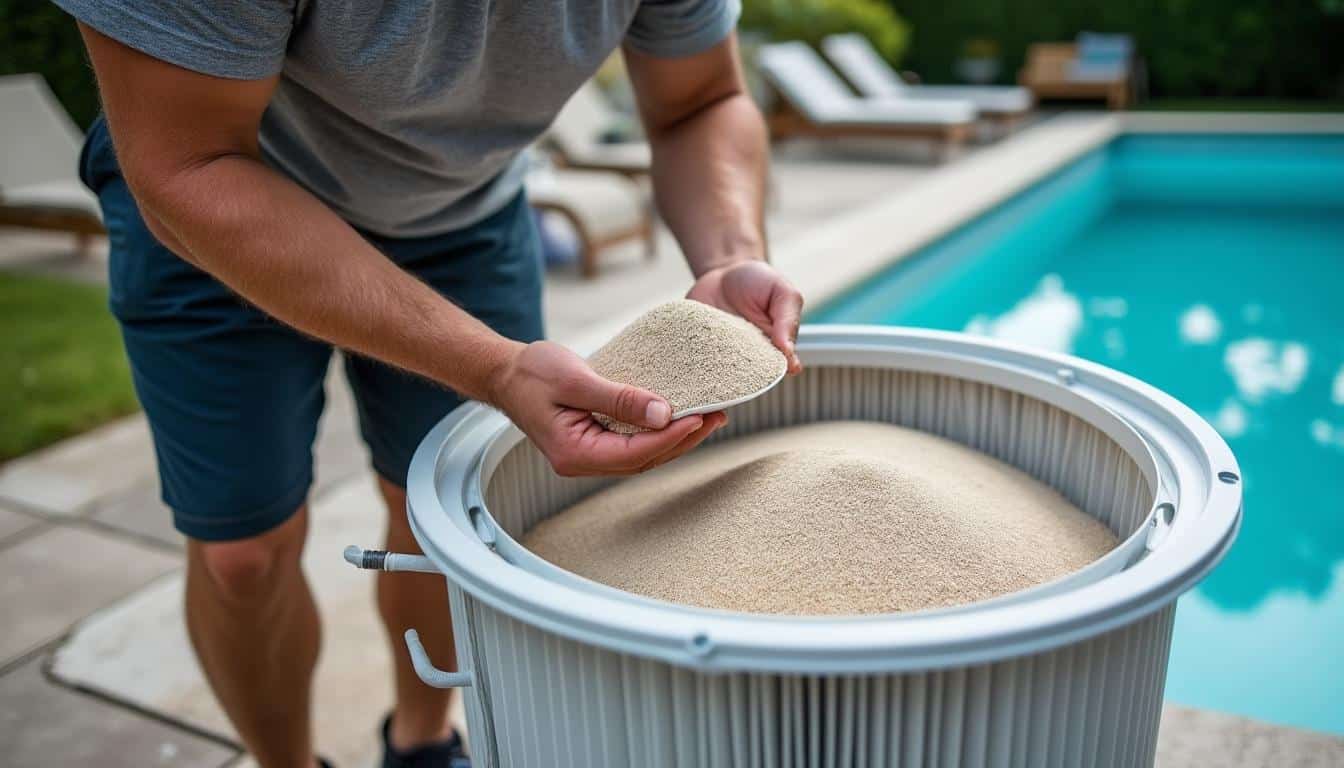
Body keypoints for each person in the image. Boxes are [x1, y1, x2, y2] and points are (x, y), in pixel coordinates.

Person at [58, 1, 803, 766]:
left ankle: (421, 740)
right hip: (217, 189)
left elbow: (701, 101)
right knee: (242, 554)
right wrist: (495, 367)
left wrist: (726, 254)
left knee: (442, 512)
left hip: (461, 209)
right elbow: (186, 163)